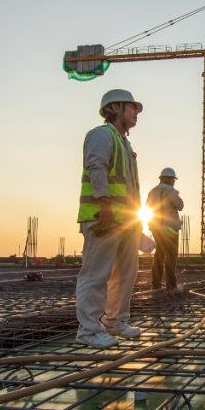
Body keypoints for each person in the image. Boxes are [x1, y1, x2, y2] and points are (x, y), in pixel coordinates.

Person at [74, 88, 144, 348]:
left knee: (126, 272)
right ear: (116, 108)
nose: (136, 113)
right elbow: (97, 169)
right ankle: (89, 330)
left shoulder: (125, 143)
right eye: (132, 108)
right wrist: (104, 208)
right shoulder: (102, 135)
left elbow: (130, 189)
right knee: (96, 273)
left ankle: (115, 321)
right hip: (104, 217)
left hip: (125, 222)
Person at [146, 167, 184, 290]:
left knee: (159, 254)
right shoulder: (171, 191)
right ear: (167, 179)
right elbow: (180, 205)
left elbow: (148, 207)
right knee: (171, 255)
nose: (174, 182)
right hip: (170, 228)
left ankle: (156, 284)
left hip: (156, 228)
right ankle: (171, 285)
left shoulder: (152, 192)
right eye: (173, 179)